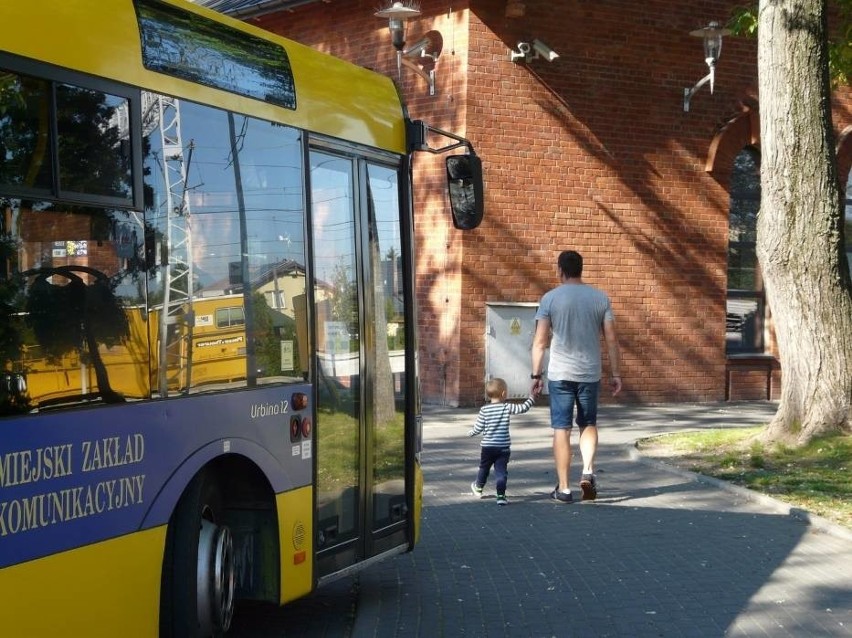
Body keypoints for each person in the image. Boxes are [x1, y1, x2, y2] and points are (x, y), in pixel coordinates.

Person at [530, 250, 622, 503]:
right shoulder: (600, 298)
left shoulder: (549, 299)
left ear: (560, 270)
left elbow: (540, 341)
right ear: (581, 269)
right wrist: (615, 373)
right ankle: (588, 471)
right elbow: (611, 339)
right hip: (590, 373)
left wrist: (536, 374)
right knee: (588, 423)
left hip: (560, 374)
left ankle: (564, 488)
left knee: (561, 428)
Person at [468, 377, 536, 506]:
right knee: (501, 471)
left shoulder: (484, 410)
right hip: (503, 448)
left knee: (484, 467)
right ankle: (501, 496)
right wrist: (532, 397)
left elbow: (478, 427)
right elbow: (523, 408)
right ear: (504, 393)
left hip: (487, 447)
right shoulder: (507, 407)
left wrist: (472, 433)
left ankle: (478, 487)